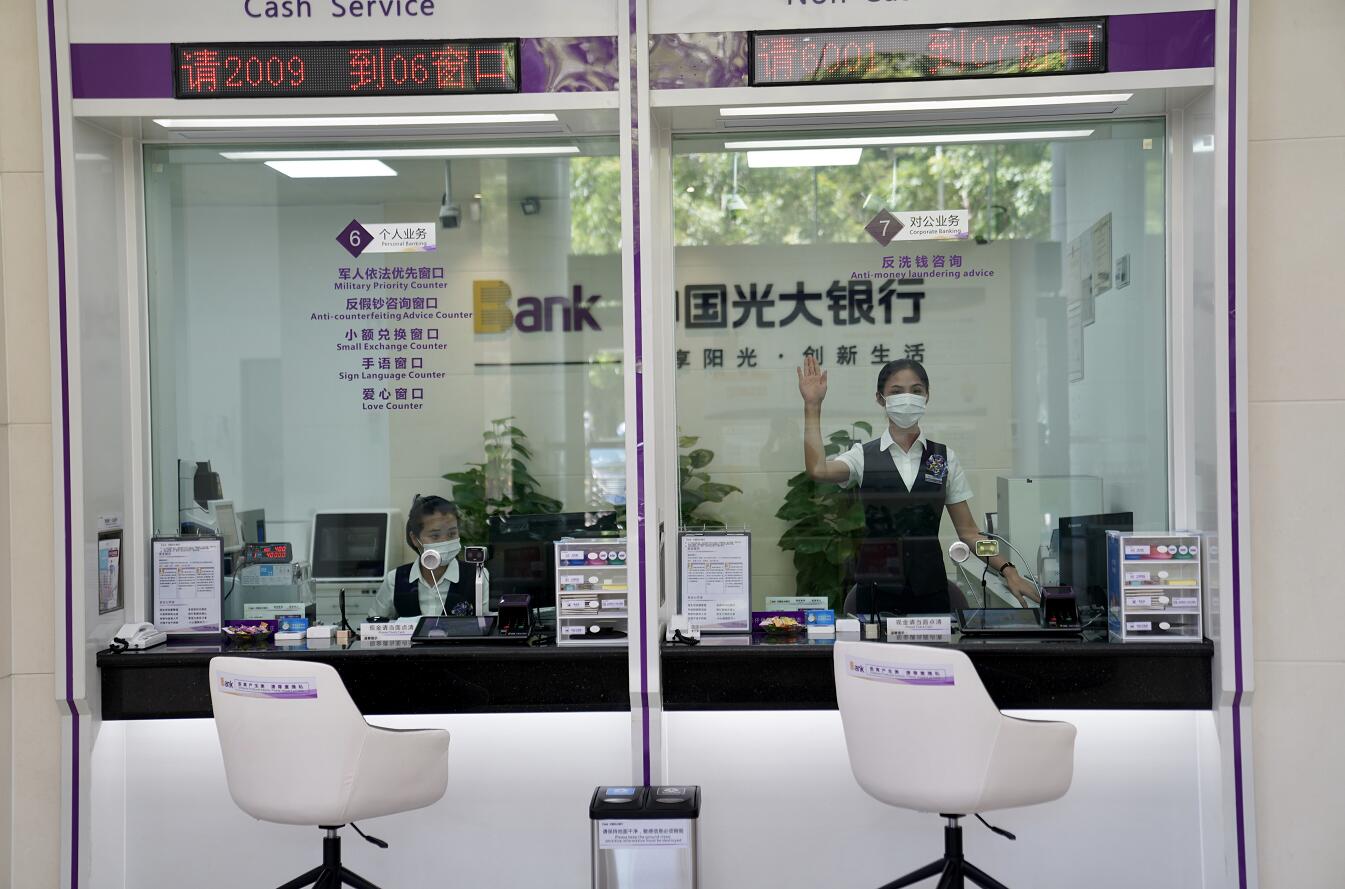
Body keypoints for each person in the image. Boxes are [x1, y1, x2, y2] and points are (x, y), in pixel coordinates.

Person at [798, 355, 1039, 613]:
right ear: (880, 398)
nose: (907, 398)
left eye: (916, 390)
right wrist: (813, 406)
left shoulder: (943, 458)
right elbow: (818, 469)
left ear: (926, 396)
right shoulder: (863, 456)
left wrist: (1007, 569)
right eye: (896, 391)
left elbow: (970, 533)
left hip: (930, 592)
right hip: (877, 590)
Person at [369, 495, 475, 619]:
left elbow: (488, 624)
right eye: (435, 536)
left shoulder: (478, 576)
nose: (445, 541)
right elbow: (374, 624)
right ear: (415, 539)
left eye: (452, 534)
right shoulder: (395, 579)